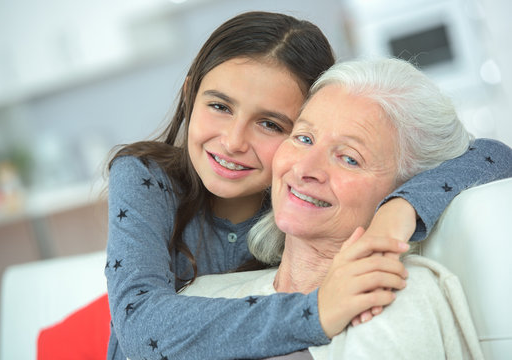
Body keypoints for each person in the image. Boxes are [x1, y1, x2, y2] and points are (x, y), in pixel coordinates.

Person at [105, 11, 512, 360]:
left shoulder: (298, 203)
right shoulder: (147, 178)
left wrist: (398, 211)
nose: (233, 142)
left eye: (271, 124)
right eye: (219, 106)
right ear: (189, 92)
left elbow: (491, 155)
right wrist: (316, 311)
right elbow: (140, 325)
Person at [182, 57, 487, 359]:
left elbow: (493, 155)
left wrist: (400, 210)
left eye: (349, 158)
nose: (305, 168)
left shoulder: (393, 294)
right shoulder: (198, 296)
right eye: (303, 138)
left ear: (407, 187)